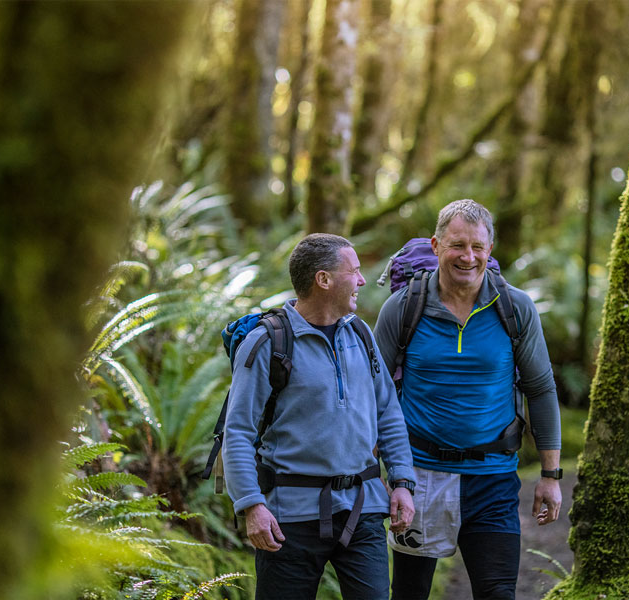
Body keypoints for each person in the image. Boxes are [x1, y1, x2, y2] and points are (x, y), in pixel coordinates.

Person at [373, 200, 562, 600]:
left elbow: (541, 388)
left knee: (498, 592)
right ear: (436, 245)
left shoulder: (515, 308)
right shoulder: (404, 307)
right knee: (409, 592)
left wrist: (550, 476)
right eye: (458, 245)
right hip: (418, 476)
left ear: (490, 250)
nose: (468, 256)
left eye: (478, 246)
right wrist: (377, 470)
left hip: (492, 478)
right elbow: (372, 390)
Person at [223, 233, 416, 600]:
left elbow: (388, 412)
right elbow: (238, 432)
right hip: (287, 518)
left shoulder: (360, 334)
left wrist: (403, 481)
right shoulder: (267, 343)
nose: (361, 280)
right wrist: (251, 504)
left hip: (364, 509)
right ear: (323, 280)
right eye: (354, 271)